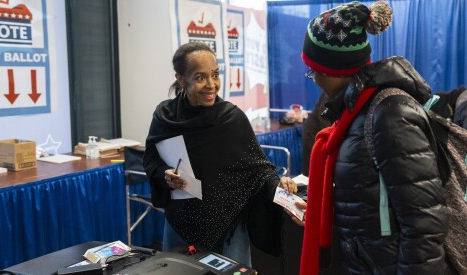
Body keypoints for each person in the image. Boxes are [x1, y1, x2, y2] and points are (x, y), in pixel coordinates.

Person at [285, 1, 457, 274]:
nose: (314, 79)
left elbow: (424, 223)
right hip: (369, 262)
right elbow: (369, 199)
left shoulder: (389, 114)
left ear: (335, 69)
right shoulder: (355, 113)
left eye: (314, 70)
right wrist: (322, 211)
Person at [142, 42, 297, 267]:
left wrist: (278, 184)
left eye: (215, 75)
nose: (211, 85)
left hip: (228, 226)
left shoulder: (231, 119)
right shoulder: (164, 116)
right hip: (180, 222)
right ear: (180, 79)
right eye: (200, 77)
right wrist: (164, 174)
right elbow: (151, 159)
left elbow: (258, 170)